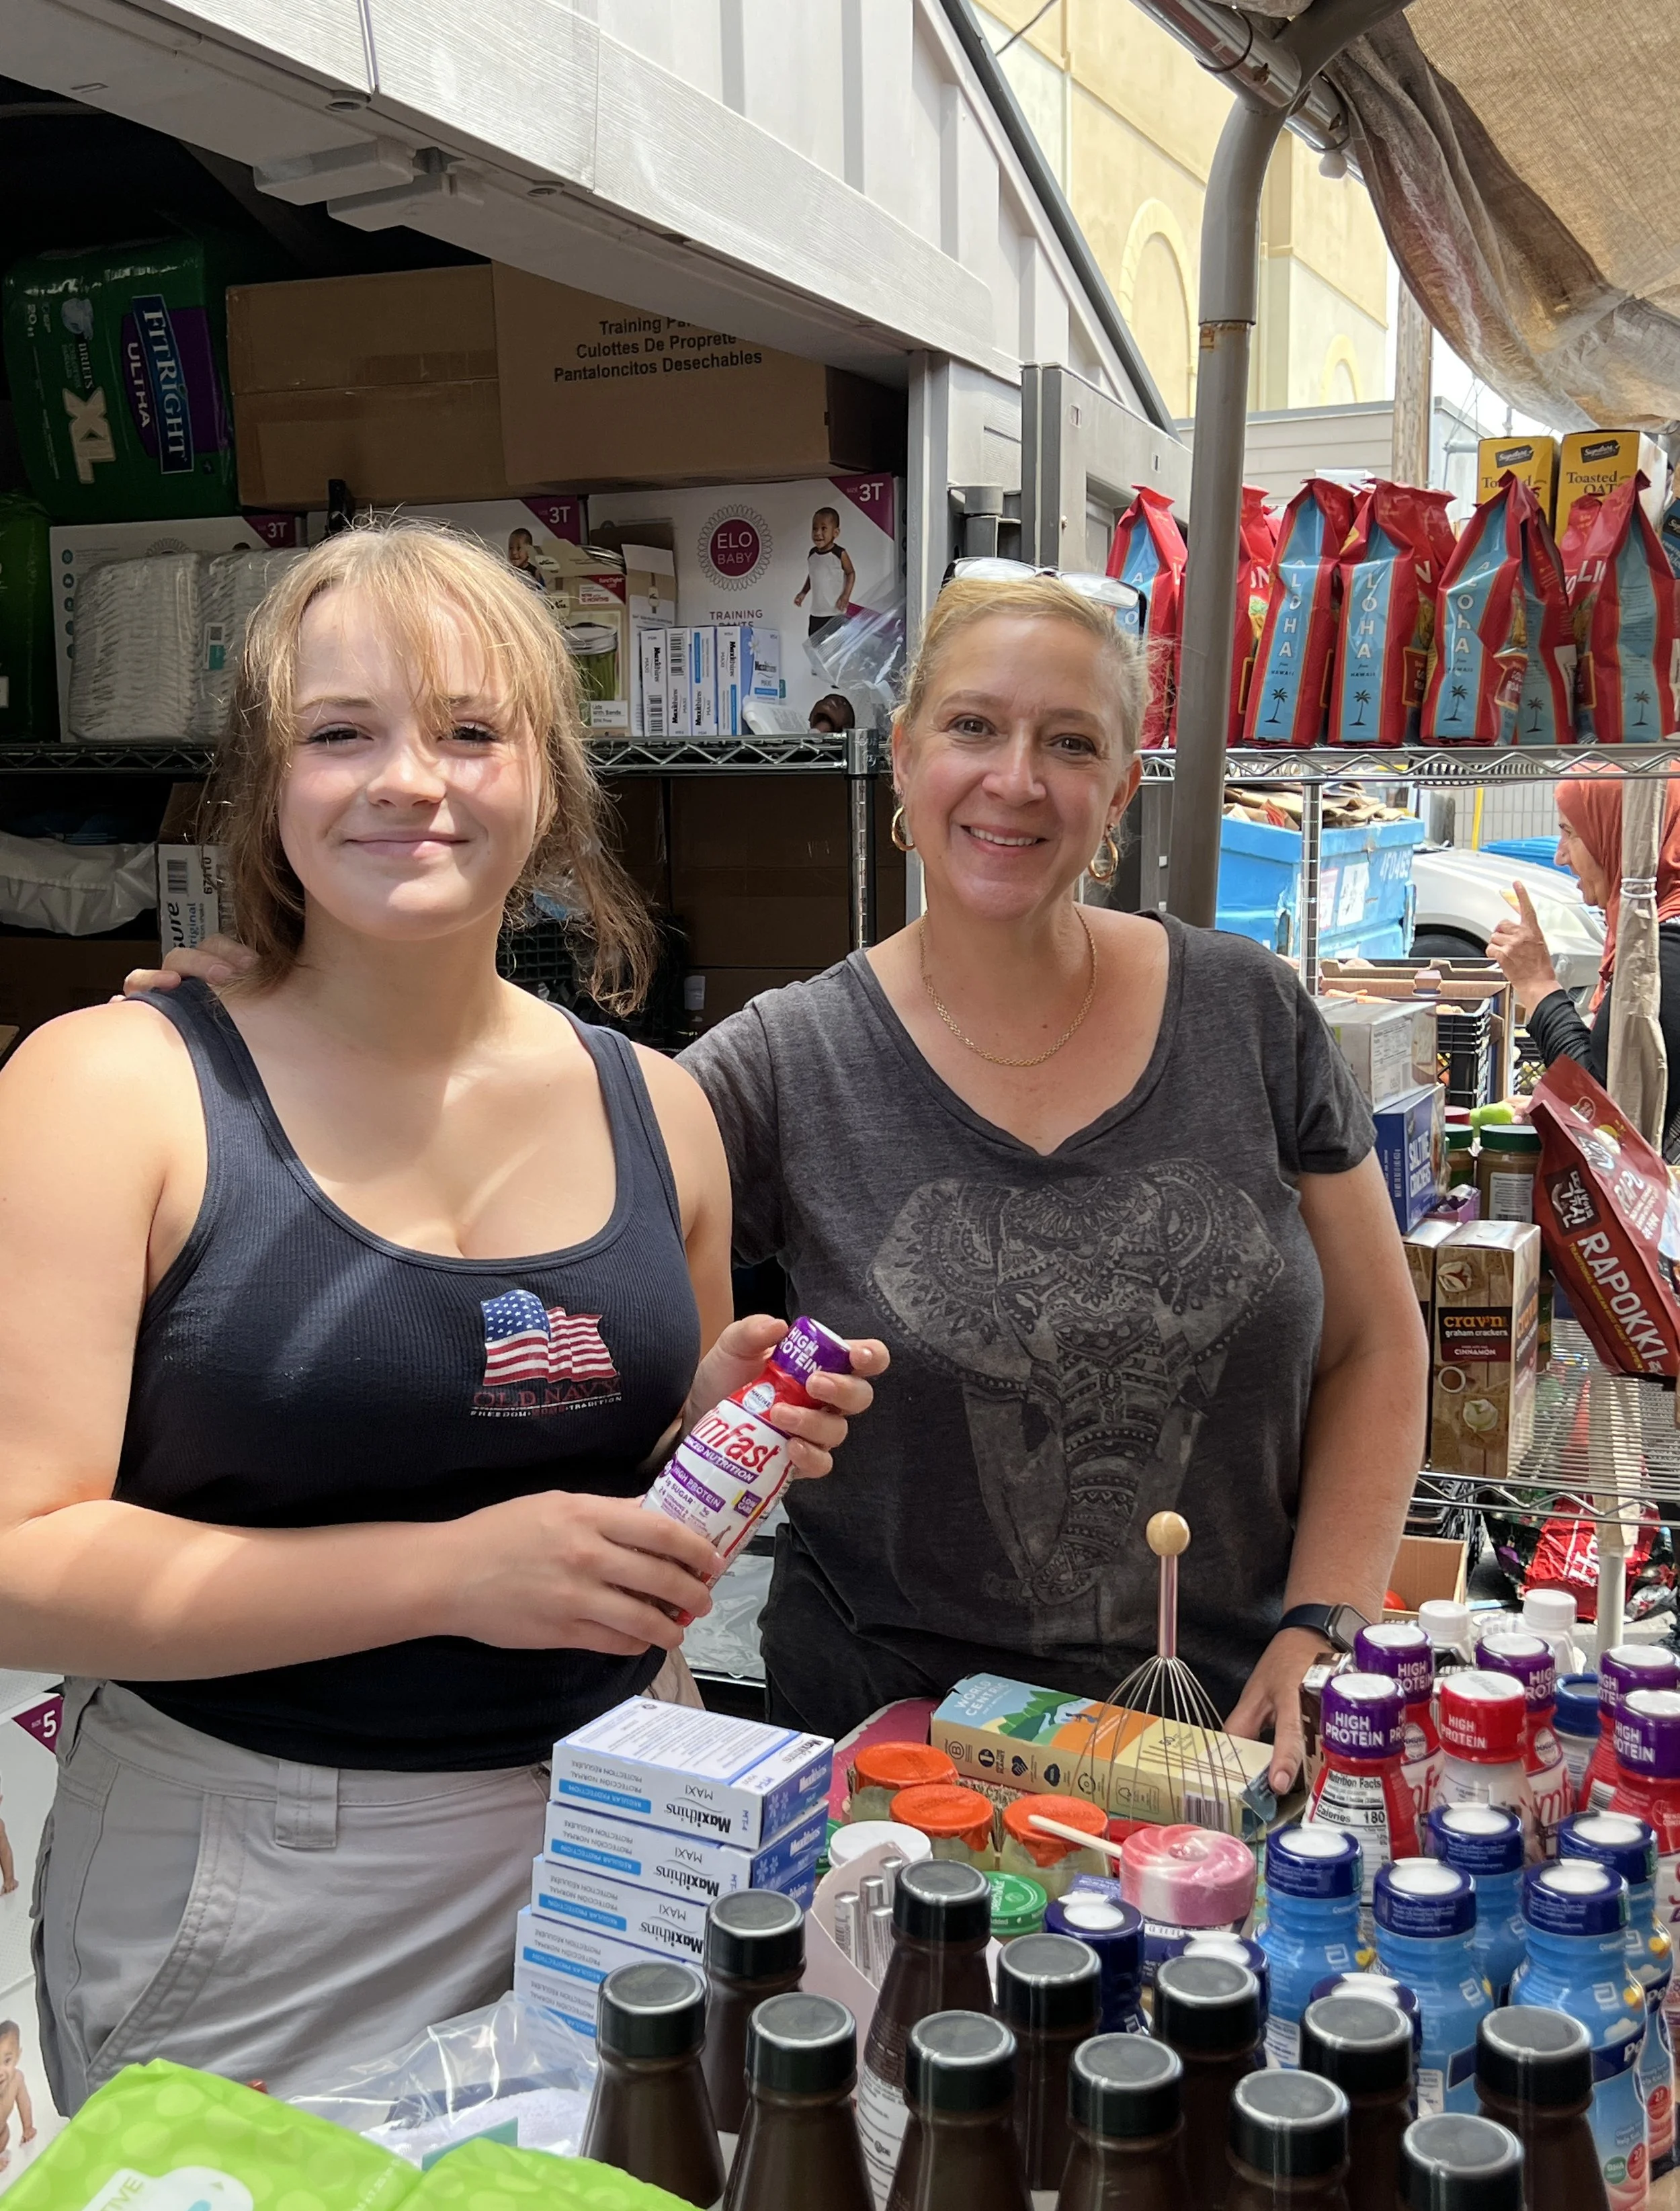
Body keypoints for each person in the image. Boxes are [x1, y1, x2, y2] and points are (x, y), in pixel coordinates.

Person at [148, 573, 1425, 1798]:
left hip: (1237, 1739)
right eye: (973, 726)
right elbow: (510, 1181)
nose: (1016, 778)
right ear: (905, 757)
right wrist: (291, 1028)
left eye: (1071, 742)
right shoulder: (779, 1066)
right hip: (892, 1769)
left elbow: (1375, 1344)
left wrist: (1324, 1625)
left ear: (1123, 789)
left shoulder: (1246, 1013)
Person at [0, 520, 882, 2108]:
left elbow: (608, 1475)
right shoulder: (112, 1089)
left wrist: (714, 1419)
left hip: (624, 1827)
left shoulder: (658, 1108)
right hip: (265, 1877)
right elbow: (14, 1565)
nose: (412, 779)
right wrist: (452, 1576)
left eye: (472, 731)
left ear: (548, 779)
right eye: (343, 733)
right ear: (269, 785)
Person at [1488, 774, 1680, 1151]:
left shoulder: (1667, 950)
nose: (1560, 855)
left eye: (1571, 833)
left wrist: (1538, 984)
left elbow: (1611, 1112)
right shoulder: (1655, 928)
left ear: (1625, 837)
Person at [794, 506, 855, 642]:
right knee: (816, 647)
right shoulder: (812, 554)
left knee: (837, 649)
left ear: (836, 532)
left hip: (835, 613)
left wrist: (845, 596)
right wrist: (803, 592)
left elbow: (851, 573)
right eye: (815, 529)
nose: (818, 533)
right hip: (817, 613)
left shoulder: (839, 554)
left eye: (823, 528)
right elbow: (813, 575)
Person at [0, 2021, 36, 2172]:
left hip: (1, 2133)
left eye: (7, 2061)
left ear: (17, 2056)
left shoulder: (17, 2079)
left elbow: (24, 2103)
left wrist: (28, 2127)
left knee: (5, 2134)